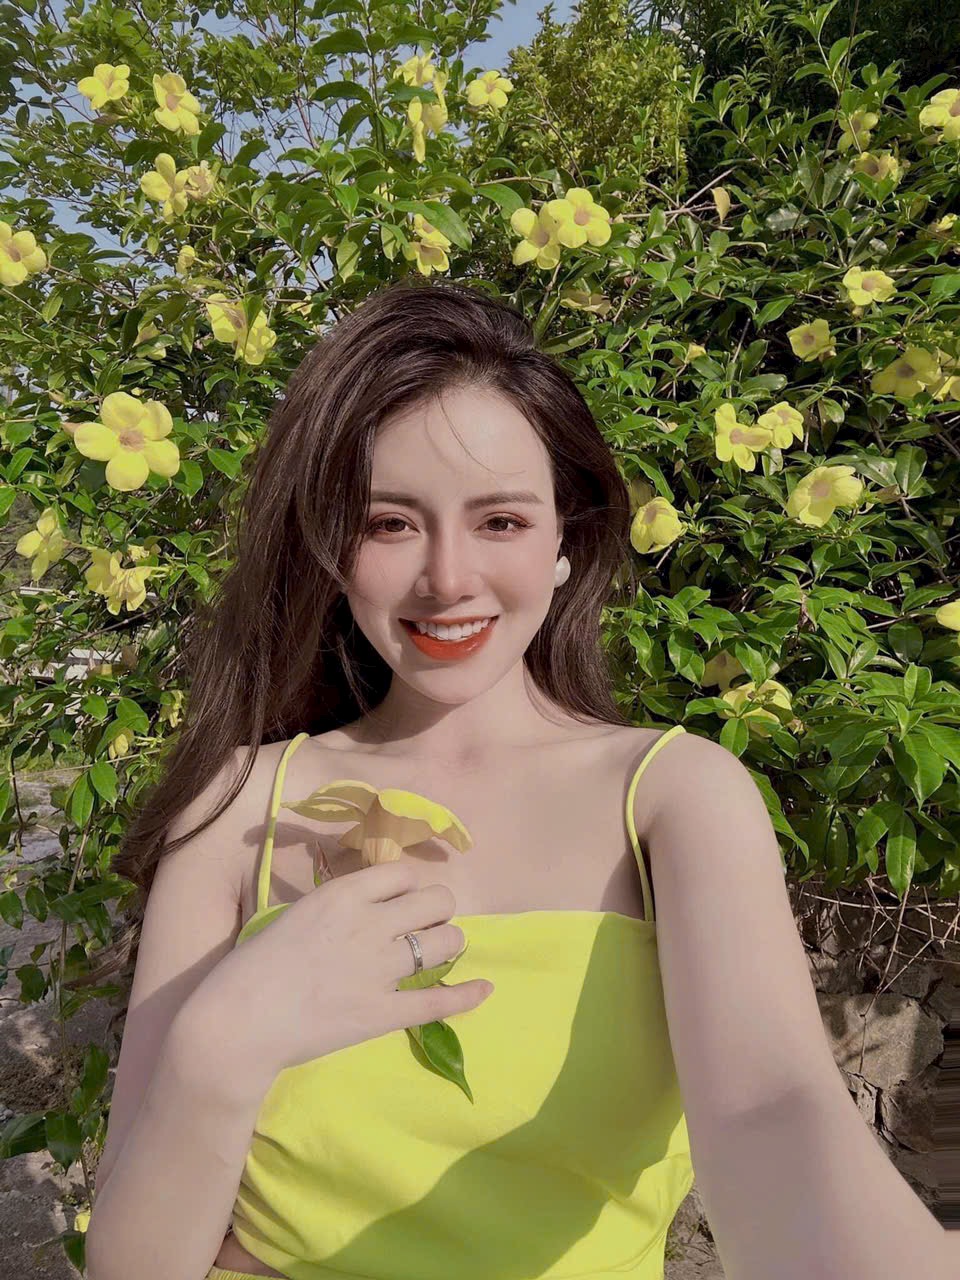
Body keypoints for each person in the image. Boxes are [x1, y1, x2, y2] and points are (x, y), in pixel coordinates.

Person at [82, 280, 951, 1280]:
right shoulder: (235, 805)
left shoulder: (673, 797)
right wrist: (220, 1049)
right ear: (330, 548)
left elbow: (769, 1111)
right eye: (390, 523)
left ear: (567, 542)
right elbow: (132, 1261)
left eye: (499, 520)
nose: (448, 577)